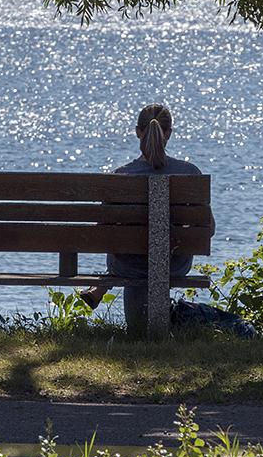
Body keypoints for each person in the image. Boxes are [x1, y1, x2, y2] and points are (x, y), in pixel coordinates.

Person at [79, 103, 201, 334]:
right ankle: (153, 330)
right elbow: (208, 228)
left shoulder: (120, 176)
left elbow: (102, 231)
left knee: (127, 253)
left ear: (138, 132)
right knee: (149, 254)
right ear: (169, 133)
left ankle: (111, 296)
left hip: (128, 265)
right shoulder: (191, 174)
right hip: (174, 265)